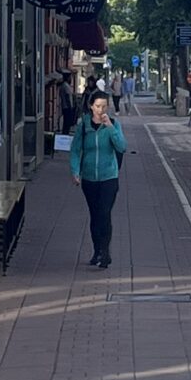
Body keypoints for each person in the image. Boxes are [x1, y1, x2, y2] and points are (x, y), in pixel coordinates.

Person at [69, 85, 127, 268]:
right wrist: (75, 171)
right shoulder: (84, 126)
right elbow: (75, 150)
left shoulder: (113, 124)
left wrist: (110, 128)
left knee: (104, 212)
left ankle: (105, 251)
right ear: (91, 106)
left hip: (109, 177)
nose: (101, 110)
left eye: (104, 106)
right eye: (98, 106)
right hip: (89, 178)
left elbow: (122, 147)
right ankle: (97, 251)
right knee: (95, 215)